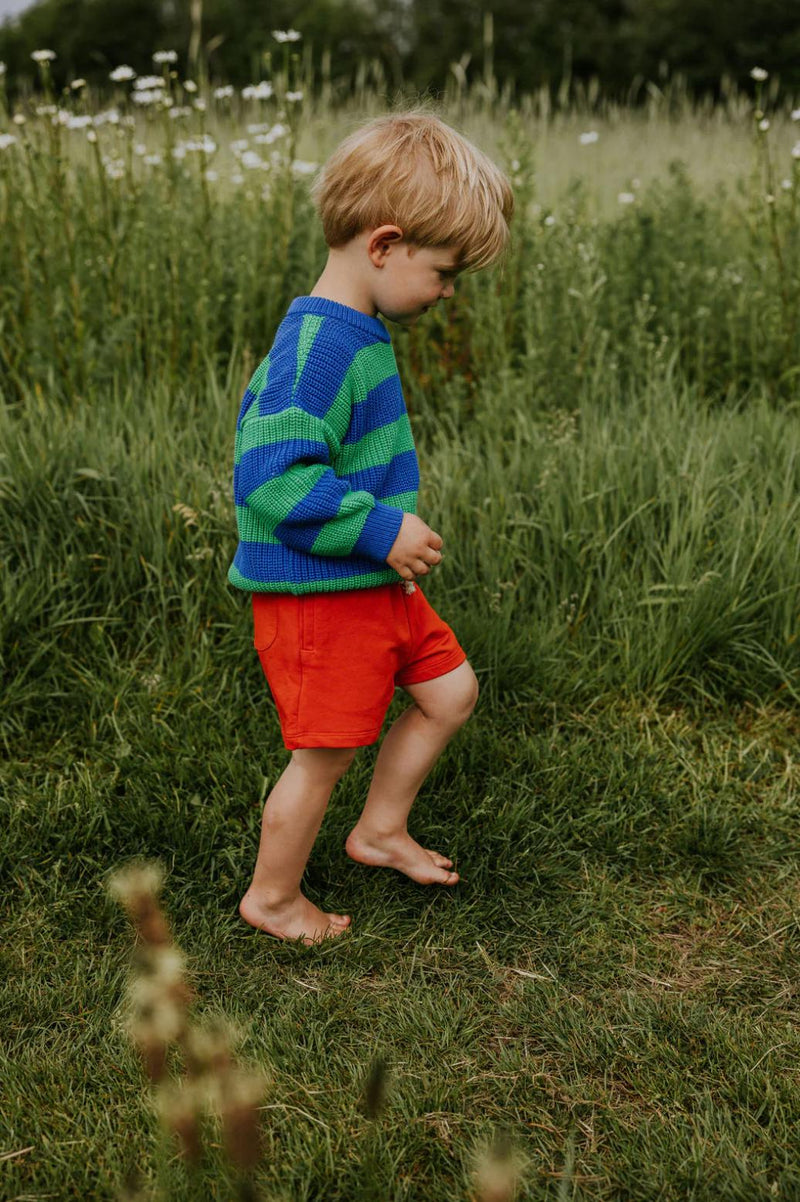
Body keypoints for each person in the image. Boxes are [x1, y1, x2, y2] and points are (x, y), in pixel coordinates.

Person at [228, 108, 514, 945]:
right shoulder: (317, 345)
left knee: (449, 691)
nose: (450, 289)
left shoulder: (359, 329)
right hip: (324, 590)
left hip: (369, 580)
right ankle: (273, 898)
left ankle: (379, 831)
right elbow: (271, 479)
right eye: (446, 270)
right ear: (384, 244)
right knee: (325, 753)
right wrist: (379, 527)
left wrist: (378, 545)